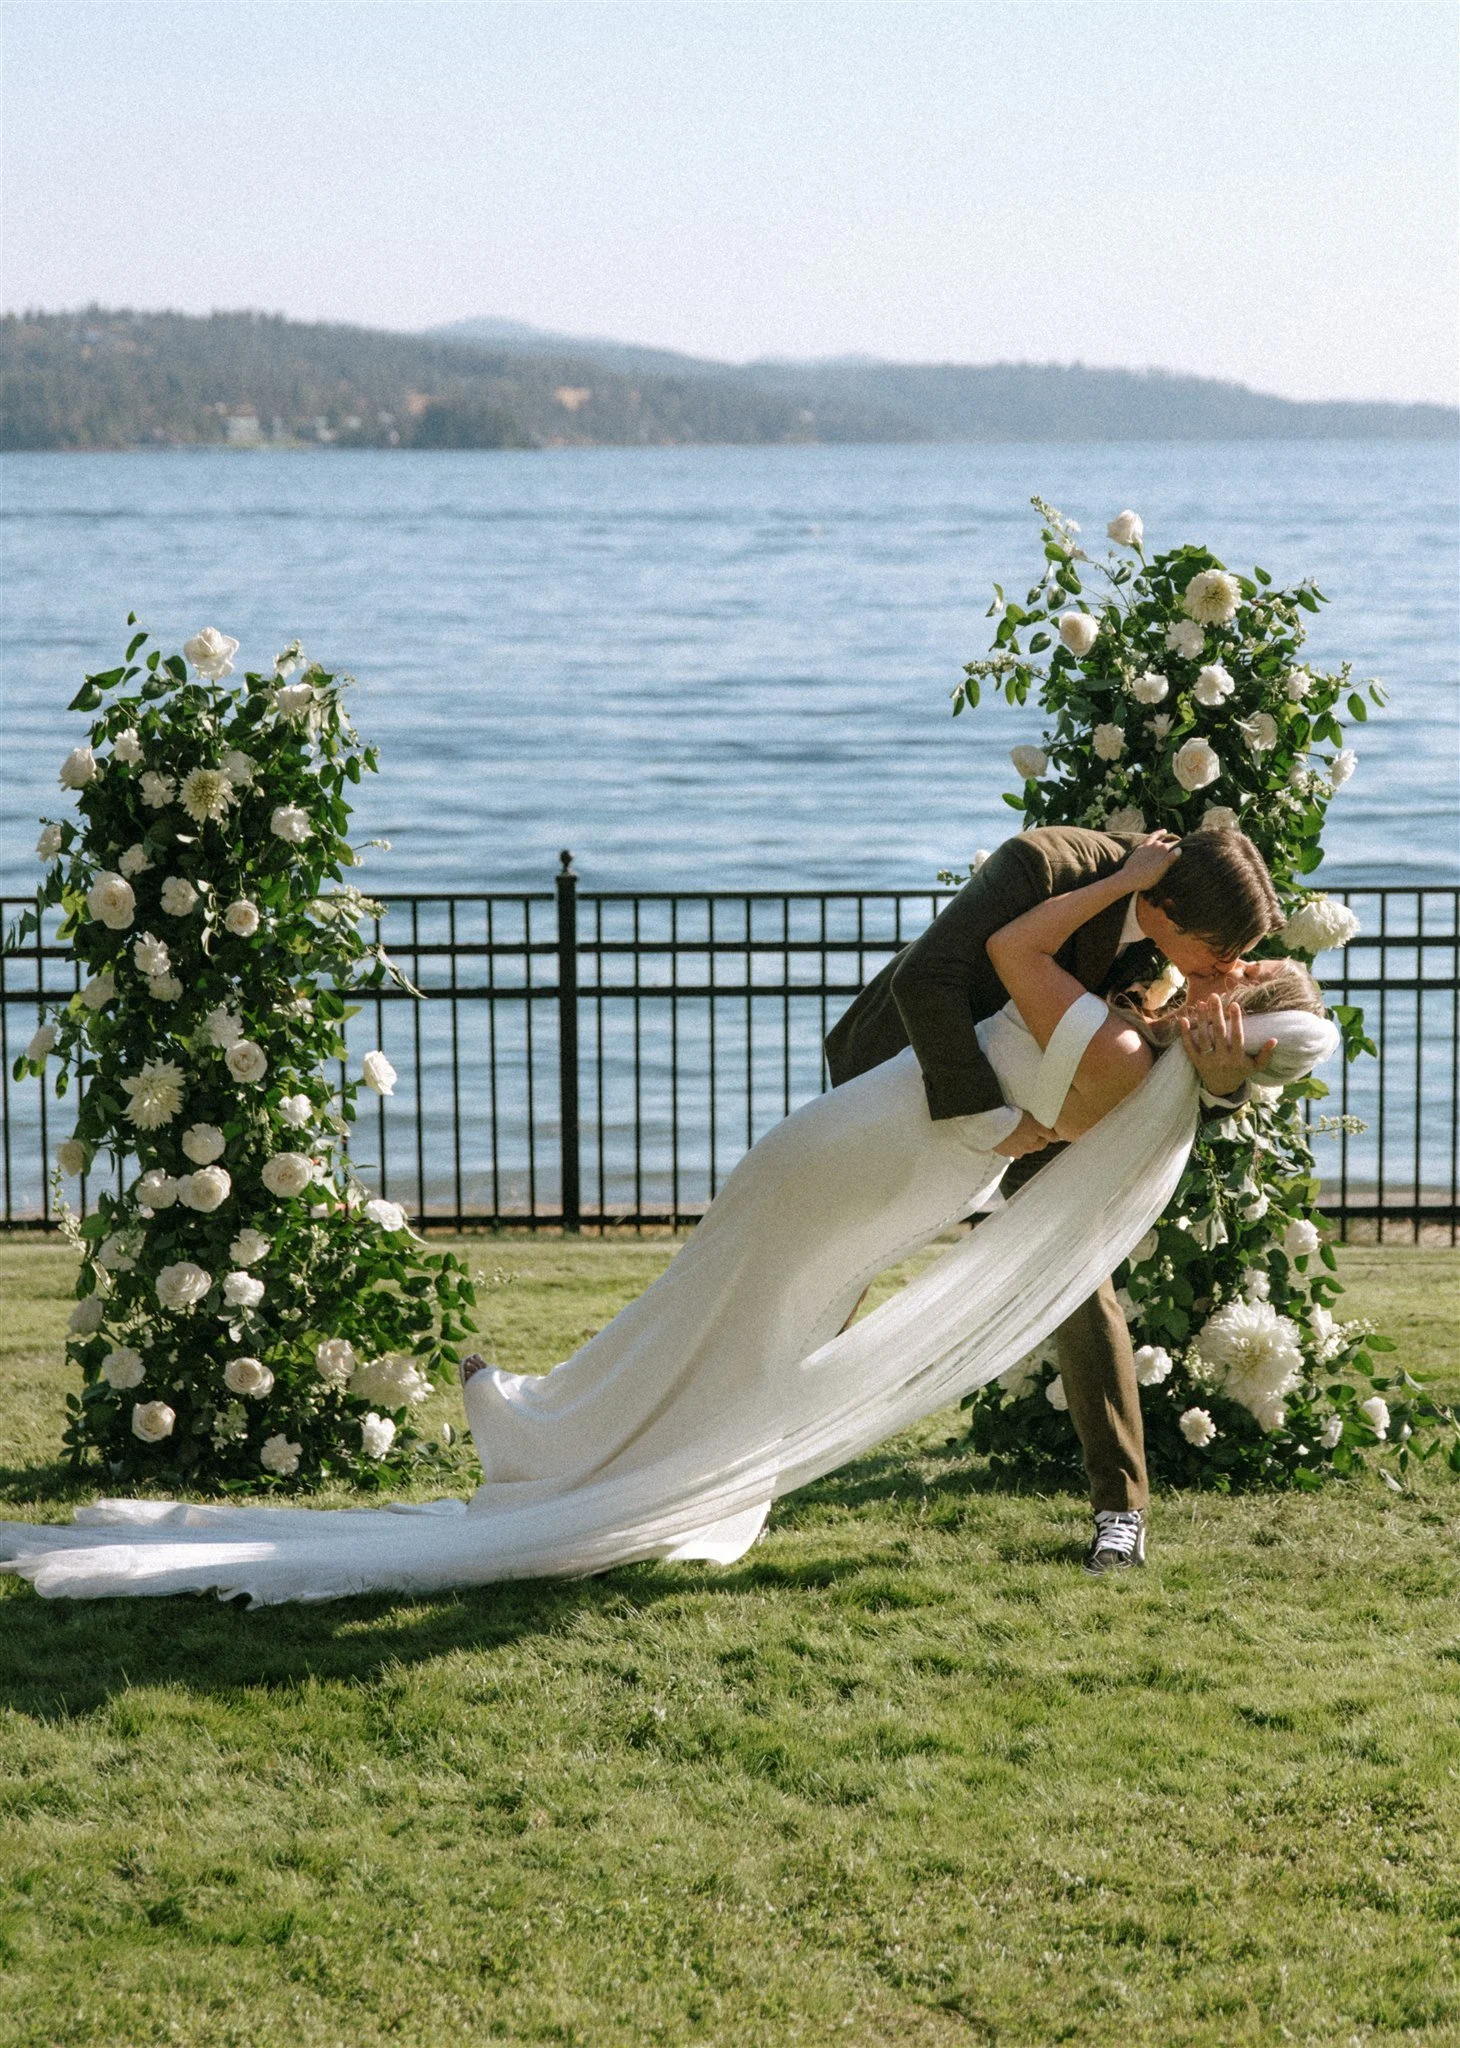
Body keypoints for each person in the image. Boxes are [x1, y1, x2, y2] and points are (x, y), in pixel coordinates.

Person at [0, 837, 1337, 1606]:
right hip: (912, 1102)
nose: (1212, 979)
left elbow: (1022, 977)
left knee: (750, 1298)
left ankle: (590, 1448)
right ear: (1175, 922)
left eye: (1228, 980)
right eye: (1214, 958)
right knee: (759, 1307)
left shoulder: (1141, 1027)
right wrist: (1128, 1058)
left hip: (920, 1140)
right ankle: (605, 1447)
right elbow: (946, 977)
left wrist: (1095, 1063)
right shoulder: (1082, 913)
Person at [824, 822, 1289, 1574]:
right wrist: (984, 1119)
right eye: (1222, 951)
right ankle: (757, 1442)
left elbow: (1166, 1058)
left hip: (1041, 1107)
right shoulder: (1043, 865)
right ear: (1169, 914)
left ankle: (1120, 1516)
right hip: (911, 1079)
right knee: (836, 1266)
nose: (1231, 967)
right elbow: (926, 979)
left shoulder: (1168, 946)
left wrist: (1226, 1075)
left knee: (1080, 1275)